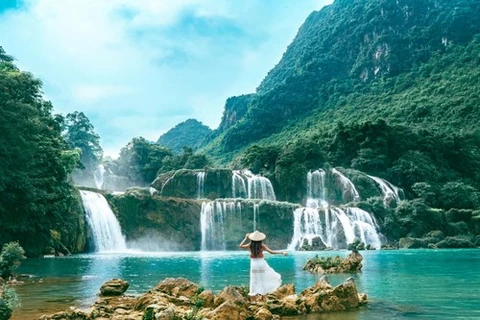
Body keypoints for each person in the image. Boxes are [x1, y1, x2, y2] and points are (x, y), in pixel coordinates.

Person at [238, 230, 288, 298]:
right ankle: (263, 297)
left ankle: (253, 296)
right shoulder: (262, 245)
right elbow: (271, 252)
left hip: (254, 265)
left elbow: (240, 246)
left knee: (254, 278)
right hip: (261, 264)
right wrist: (282, 252)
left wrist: (245, 238)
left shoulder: (250, 245)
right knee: (263, 278)